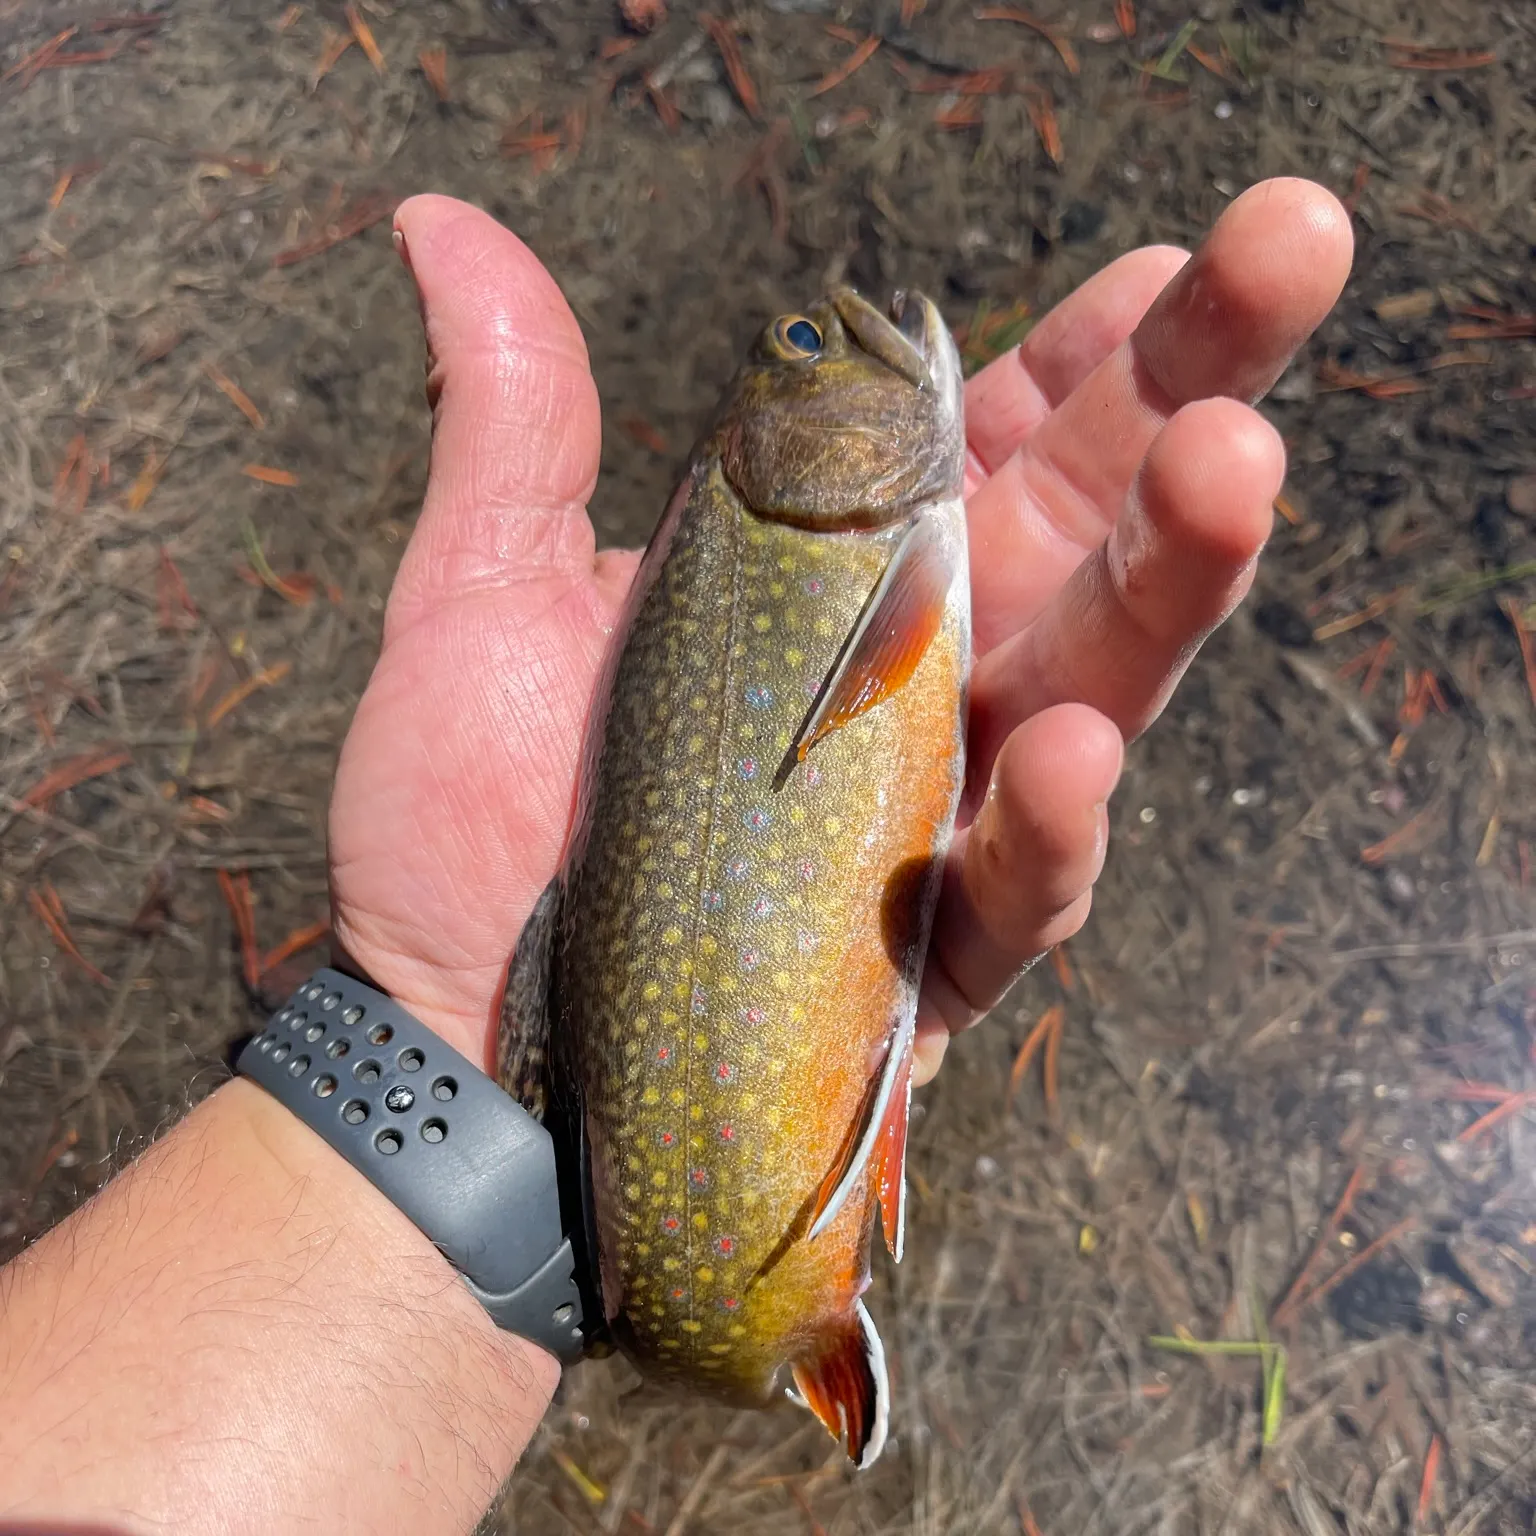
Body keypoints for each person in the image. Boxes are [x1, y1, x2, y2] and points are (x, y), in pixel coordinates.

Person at [0, 181, 1352, 1532]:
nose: (826, 341)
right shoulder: (787, 541)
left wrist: (456, 1140)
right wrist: (457, 1071)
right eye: (802, 355)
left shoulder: (809, 542)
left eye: (803, 351)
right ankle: (763, 1307)